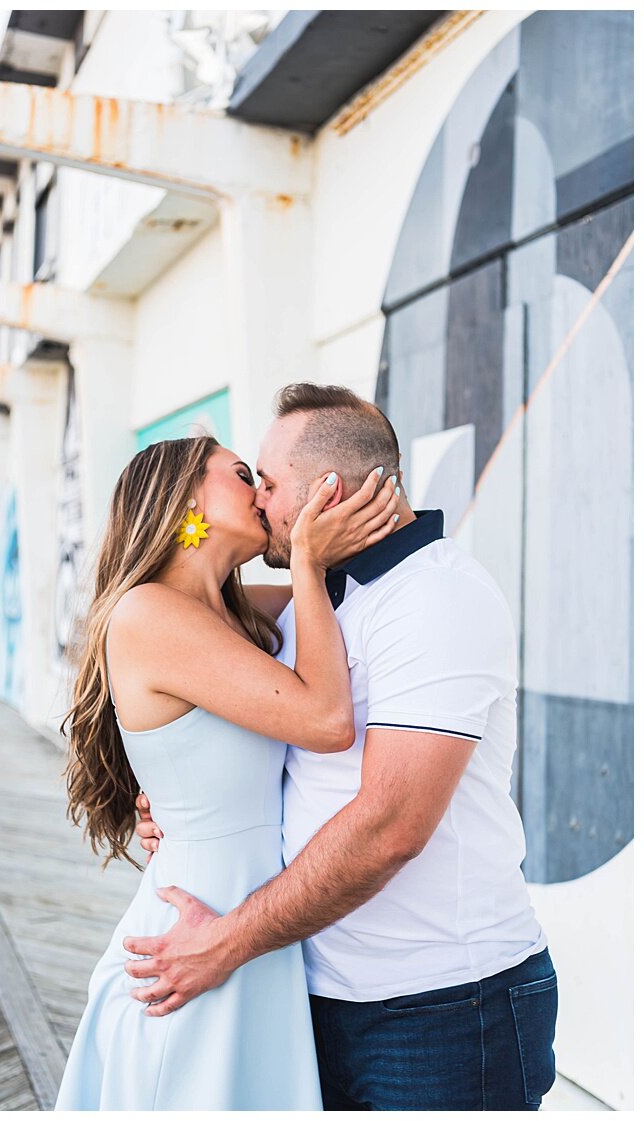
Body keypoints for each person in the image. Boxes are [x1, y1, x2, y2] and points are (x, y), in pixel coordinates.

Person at [125, 385, 556, 1110]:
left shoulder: (434, 598)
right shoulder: (312, 601)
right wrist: (178, 796)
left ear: (327, 489)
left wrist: (230, 940)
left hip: (444, 1007)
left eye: (265, 481)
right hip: (315, 993)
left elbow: (390, 827)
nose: (258, 500)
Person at [55, 434, 399, 1109]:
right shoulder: (149, 611)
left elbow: (342, 595)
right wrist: (305, 558)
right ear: (188, 497)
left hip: (249, 926)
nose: (263, 492)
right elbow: (328, 720)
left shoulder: (239, 613)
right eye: (243, 475)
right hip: (194, 934)